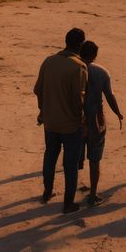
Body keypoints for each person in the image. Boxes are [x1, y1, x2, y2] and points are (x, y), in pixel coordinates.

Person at [34, 27, 89, 212]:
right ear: (80, 45)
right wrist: (82, 121)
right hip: (70, 124)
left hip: (50, 121)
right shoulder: (78, 67)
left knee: (50, 155)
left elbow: (38, 90)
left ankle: (47, 191)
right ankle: (68, 203)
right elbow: (79, 99)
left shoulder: (48, 62)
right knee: (70, 164)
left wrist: (42, 110)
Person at [80, 40, 122, 205]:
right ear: (94, 55)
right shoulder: (102, 72)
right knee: (95, 159)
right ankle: (93, 195)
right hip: (96, 120)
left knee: (74, 156)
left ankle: (69, 195)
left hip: (76, 119)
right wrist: (118, 112)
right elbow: (109, 96)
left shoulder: (75, 69)